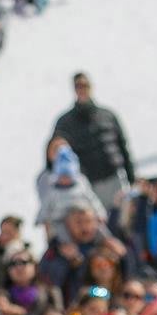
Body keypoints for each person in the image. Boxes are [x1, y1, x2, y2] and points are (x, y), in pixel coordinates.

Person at [53, 73, 136, 212]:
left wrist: (131, 179)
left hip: (114, 179)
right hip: (88, 184)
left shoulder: (107, 115)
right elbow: (56, 152)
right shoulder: (65, 123)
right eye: (78, 86)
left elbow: (123, 147)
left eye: (85, 85)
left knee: (122, 220)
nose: (82, 89)